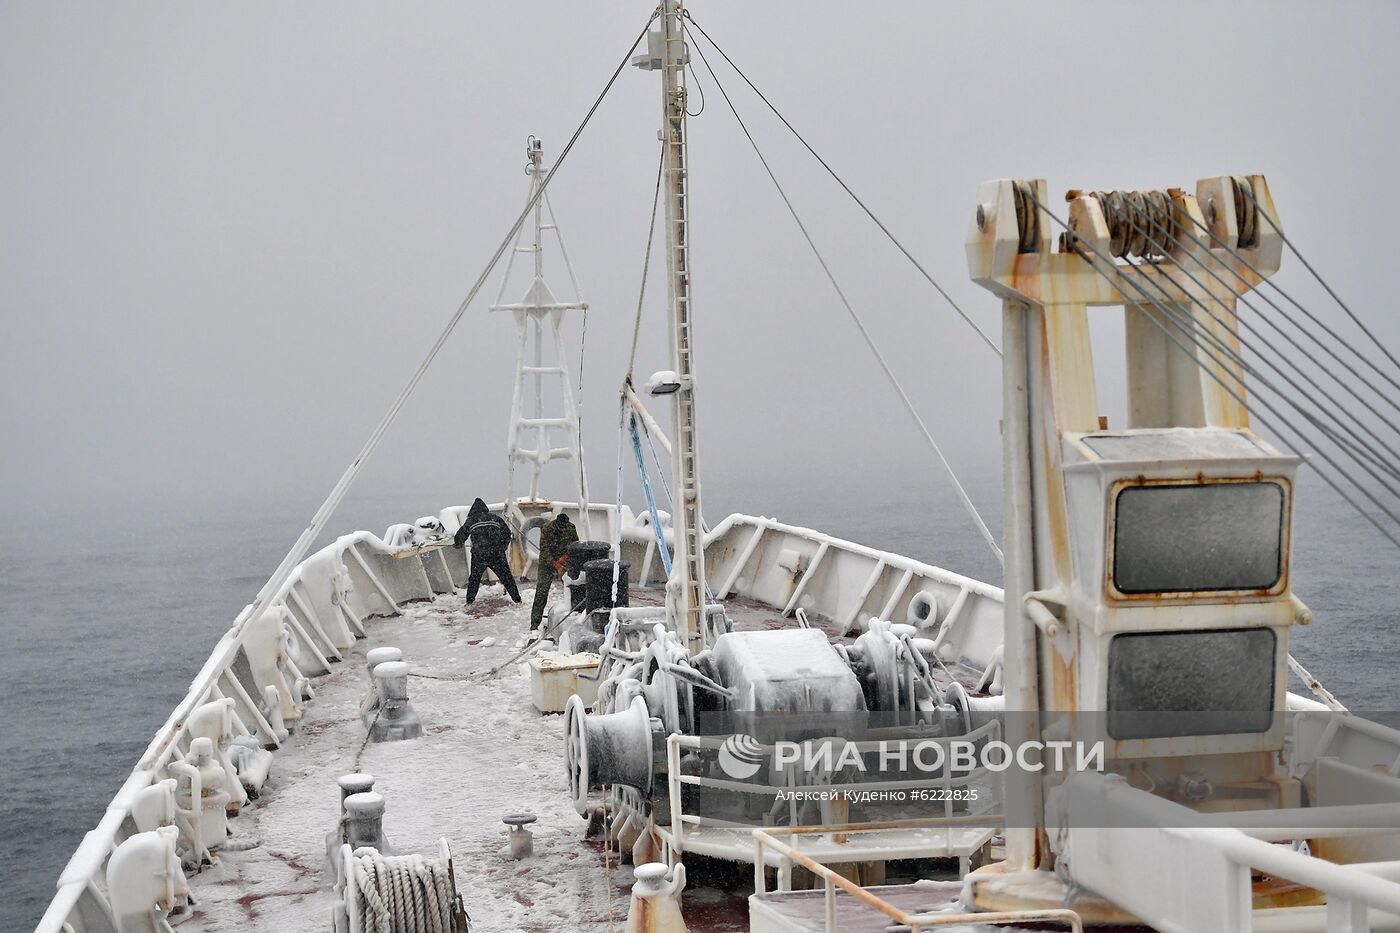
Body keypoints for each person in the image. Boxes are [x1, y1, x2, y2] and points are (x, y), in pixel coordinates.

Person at [453, 498, 521, 604]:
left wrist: (457, 544)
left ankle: (469, 603)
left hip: (479, 555)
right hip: (497, 554)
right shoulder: (495, 518)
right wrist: (502, 547)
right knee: (507, 578)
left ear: (472, 511)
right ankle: (517, 601)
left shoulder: (471, 521)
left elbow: (460, 536)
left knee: (474, 580)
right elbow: (507, 534)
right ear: (485, 509)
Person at [531, 512, 579, 631]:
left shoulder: (571, 528)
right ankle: (535, 622)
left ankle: (575, 616)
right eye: (560, 528)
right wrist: (555, 564)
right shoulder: (547, 528)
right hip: (547, 563)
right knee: (541, 591)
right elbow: (544, 549)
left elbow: (575, 546)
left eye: (564, 528)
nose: (562, 530)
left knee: (573, 586)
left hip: (564, 560)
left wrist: (565, 558)